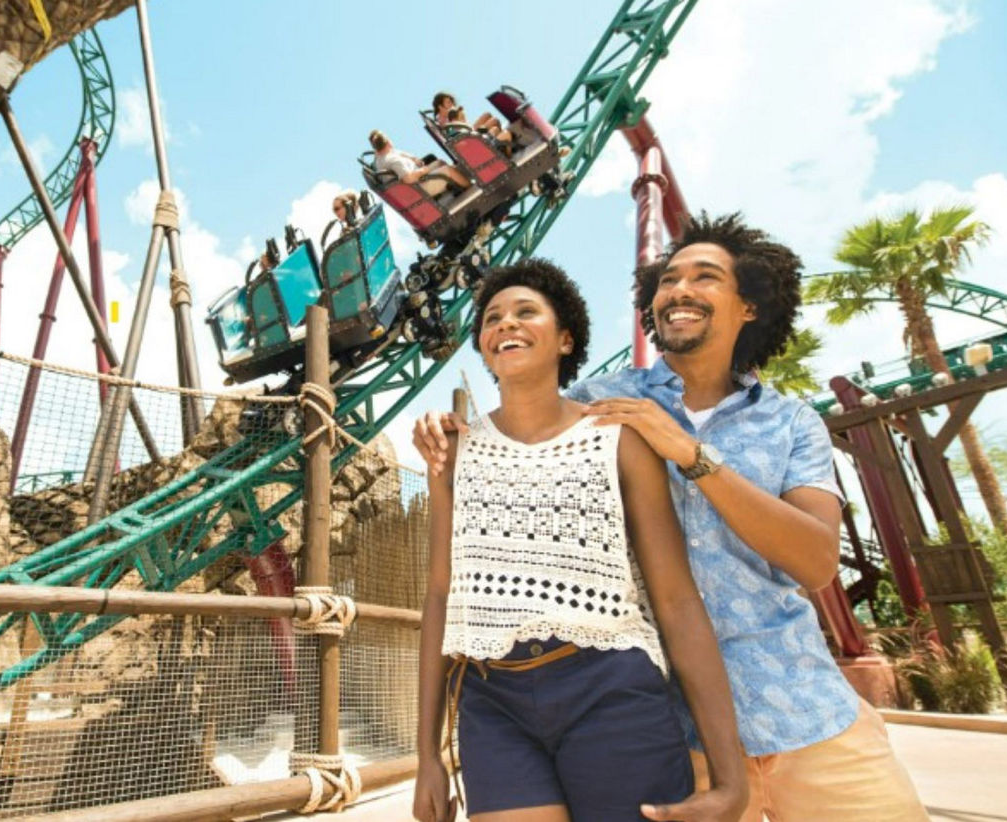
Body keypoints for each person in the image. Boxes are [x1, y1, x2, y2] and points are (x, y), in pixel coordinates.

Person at [413, 214, 929, 822]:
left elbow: (816, 563)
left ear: (750, 307)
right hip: (669, 717)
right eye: (668, 279)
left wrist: (690, 454)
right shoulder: (604, 404)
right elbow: (527, 406)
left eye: (704, 277)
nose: (678, 290)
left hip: (797, 705)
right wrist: (445, 433)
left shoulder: (791, 423)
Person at [413, 259, 747, 822]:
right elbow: (441, 598)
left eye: (525, 312)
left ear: (566, 337)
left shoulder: (617, 439)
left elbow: (675, 599)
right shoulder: (452, 453)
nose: (505, 325)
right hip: (493, 700)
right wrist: (426, 754)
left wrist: (730, 777)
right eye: (492, 319)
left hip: (610, 689)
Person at [369, 129, 470, 193]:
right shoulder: (393, 160)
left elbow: (399, 153)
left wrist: (414, 160)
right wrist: (423, 171)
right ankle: (470, 187)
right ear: (388, 142)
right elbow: (408, 179)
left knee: (439, 162)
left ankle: (456, 185)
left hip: (417, 181)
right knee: (448, 170)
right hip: (420, 188)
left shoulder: (380, 158)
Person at [433, 90, 513, 151]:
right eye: (448, 103)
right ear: (440, 106)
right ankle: (503, 145)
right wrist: (460, 119)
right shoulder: (442, 121)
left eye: (452, 102)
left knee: (487, 115)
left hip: (470, 131)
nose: (452, 105)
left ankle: (502, 143)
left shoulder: (447, 116)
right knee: (494, 122)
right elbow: (455, 134)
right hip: (469, 136)